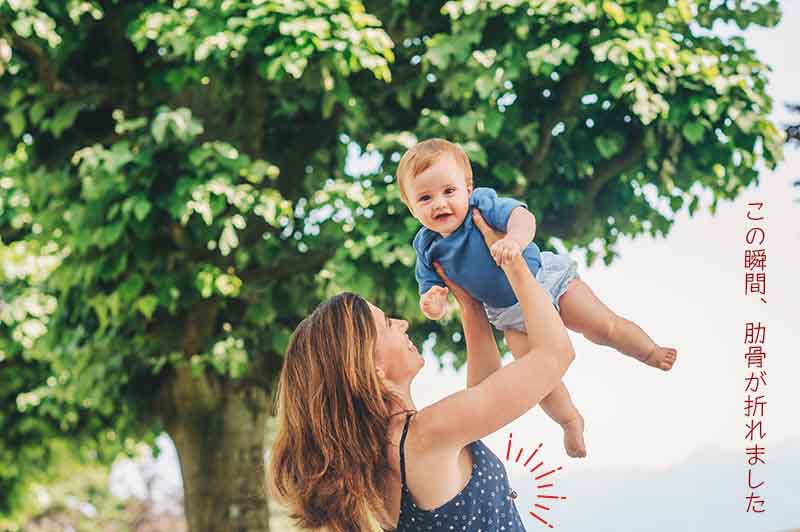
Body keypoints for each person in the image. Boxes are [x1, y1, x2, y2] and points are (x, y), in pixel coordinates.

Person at [268, 210, 575, 532]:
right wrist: (513, 262)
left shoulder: (378, 460)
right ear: (369, 366)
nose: (402, 323)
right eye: (387, 324)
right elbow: (555, 354)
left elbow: (483, 393)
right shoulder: (426, 434)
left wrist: (469, 305)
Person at [398, 138, 677, 458]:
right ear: (411, 206)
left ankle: (648, 351)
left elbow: (522, 217)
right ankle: (570, 420)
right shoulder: (426, 246)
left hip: (545, 280)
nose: (439, 204)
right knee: (537, 379)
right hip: (510, 314)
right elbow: (430, 286)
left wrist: (514, 240)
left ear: (468, 188)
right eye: (425, 197)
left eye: (449, 191)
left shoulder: (483, 206)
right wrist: (432, 302)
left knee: (602, 326)